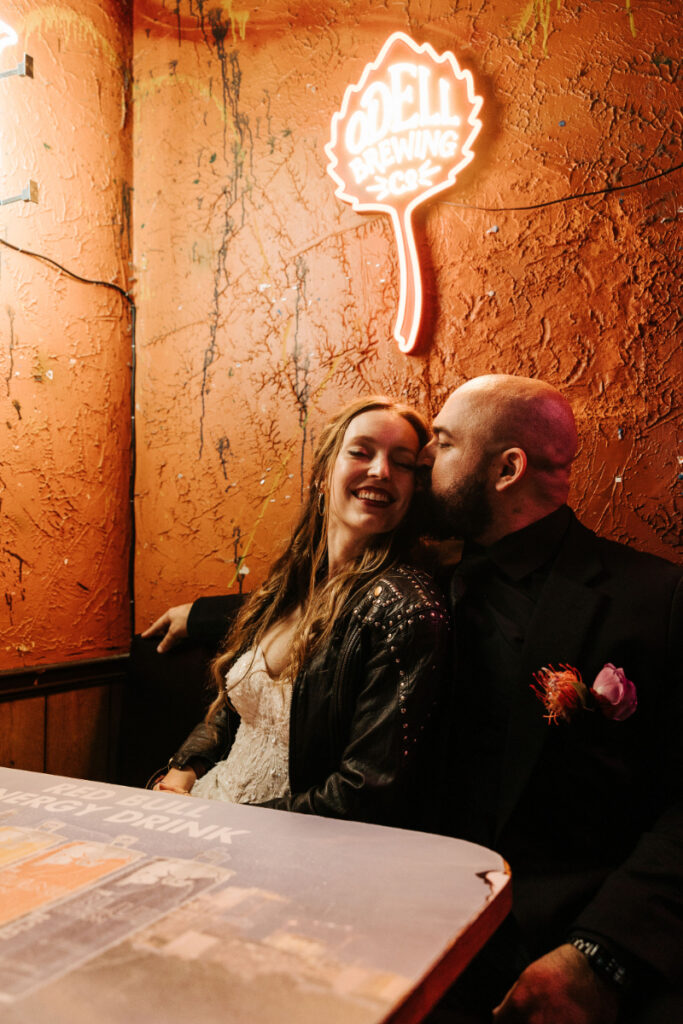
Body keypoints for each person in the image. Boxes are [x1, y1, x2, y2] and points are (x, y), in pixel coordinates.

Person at [420, 375, 682, 1024]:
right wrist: (204, 618)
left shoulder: (655, 598)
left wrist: (601, 956)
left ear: (506, 468)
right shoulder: (418, 585)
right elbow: (303, 604)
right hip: (414, 936)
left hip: (572, 943)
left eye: (443, 442)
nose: (425, 458)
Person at [148, 395, 449, 827]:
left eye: (402, 462)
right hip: (210, 807)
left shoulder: (405, 608)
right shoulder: (291, 585)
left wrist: (221, 821)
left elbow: (364, 793)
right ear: (325, 474)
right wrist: (181, 775)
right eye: (361, 452)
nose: (381, 470)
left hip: (286, 839)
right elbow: (236, 711)